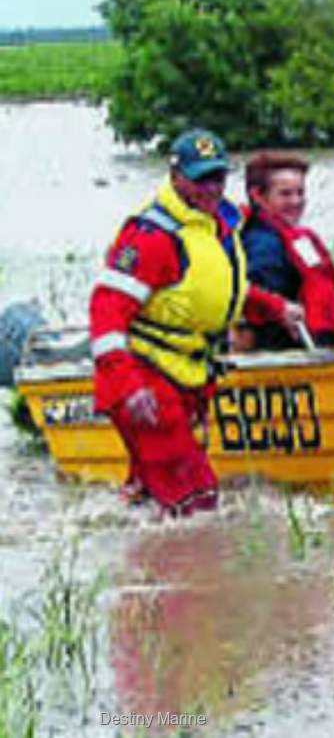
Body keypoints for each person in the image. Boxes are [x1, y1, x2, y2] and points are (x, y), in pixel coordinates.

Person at [88, 130, 303, 515]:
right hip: (146, 381)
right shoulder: (152, 236)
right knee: (197, 500)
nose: (211, 188)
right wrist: (128, 385)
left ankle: (137, 563)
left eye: (218, 178)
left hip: (184, 374)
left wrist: (275, 307)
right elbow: (106, 310)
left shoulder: (218, 225)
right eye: (200, 178)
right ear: (176, 176)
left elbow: (220, 286)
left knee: (154, 498)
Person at [238, 150, 334, 350]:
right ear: (257, 196)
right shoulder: (264, 245)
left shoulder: (287, 236)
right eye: (285, 194)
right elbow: (262, 310)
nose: (296, 202)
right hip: (290, 346)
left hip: (310, 335)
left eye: (300, 192)